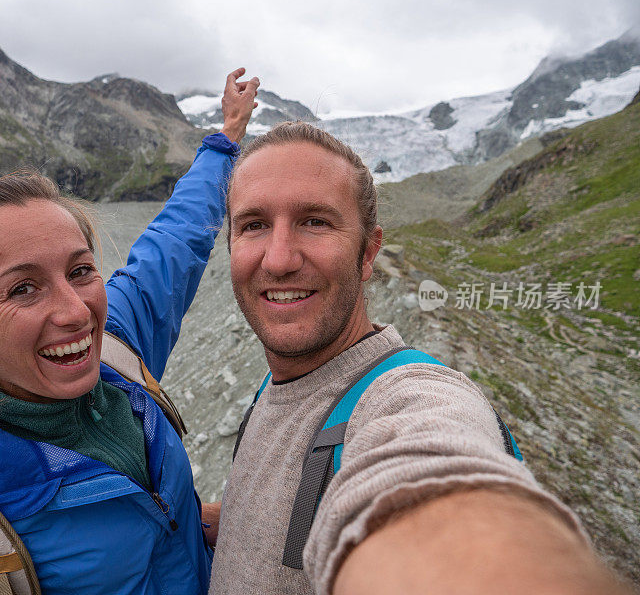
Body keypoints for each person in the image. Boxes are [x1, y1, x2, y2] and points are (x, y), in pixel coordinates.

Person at [0, 69, 259, 595]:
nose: (75, 312)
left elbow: (173, 244)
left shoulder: (114, 353)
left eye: (81, 270)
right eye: (23, 289)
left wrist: (225, 142)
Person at [207, 121, 629, 595]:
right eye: (254, 225)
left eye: (315, 221)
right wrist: (238, 525)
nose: (279, 258)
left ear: (368, 254)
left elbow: (431, 478)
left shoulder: (406, 397)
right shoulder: (275, 382)